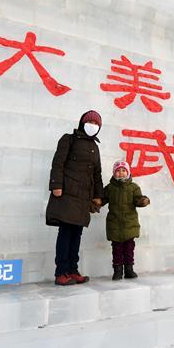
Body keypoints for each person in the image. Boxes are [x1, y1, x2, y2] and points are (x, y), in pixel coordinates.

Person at [46, 110, 104, 286]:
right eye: (90, 121)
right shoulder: (68, 139)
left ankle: (73, 269)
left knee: (76, 234)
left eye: (96, 123)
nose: (92, 125)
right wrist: (56, 185)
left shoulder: (95, 147)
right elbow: (58, 163)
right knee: (65, 232)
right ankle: (61, 272)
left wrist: (98, 196)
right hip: (67, 193)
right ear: (82, 123)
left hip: (83, 197)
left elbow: (97, 173)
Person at [101, 160, 150, 280]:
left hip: (129, 224)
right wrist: (95, 204)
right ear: (114, 173)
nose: (121, 173)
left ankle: (129, 269)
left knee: (129, 248)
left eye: (123, 170)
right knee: (116, 249)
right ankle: (117, 271)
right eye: (118, 171)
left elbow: (138, 199)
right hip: (114, 223)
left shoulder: (134, 187)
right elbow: (102, 199)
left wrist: (142, 201)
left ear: (127, 172)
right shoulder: (110, 188)